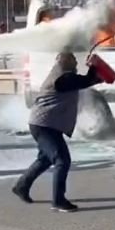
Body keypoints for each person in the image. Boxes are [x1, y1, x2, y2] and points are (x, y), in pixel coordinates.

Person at [12, 52, 104, 212]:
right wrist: (94, 67)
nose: (76, 63)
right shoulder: (62, 78)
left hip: (44, 124)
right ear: (65, 62)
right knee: (62, 160)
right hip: (44, 125)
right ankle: (58, 201)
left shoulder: (63, 76)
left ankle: (22, 186)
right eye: (73, 60)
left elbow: (85, 81)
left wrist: (94, 72)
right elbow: (85, 81)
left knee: (45, 159)